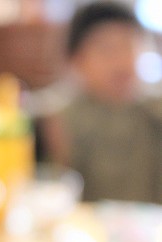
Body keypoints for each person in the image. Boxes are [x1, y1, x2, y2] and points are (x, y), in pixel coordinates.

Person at [44, 1, 161, 203]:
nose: (121, 61)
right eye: (107, 49)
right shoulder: (61, 118)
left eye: (129, 46)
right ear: (76, 60)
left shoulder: (154, 113)